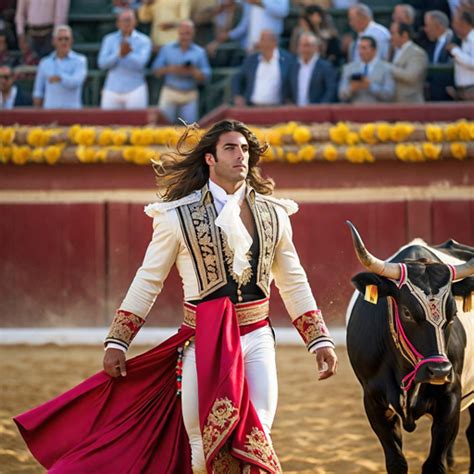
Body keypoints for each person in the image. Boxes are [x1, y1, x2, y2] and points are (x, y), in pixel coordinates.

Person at [14, 119, 338, 473]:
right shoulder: (176, 216)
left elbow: (293, 280)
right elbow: (148, 279)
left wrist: (318, 339)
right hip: (203, 340)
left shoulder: (275, 215)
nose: (240, 156)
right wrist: (118, 341)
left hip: (257, 336)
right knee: (200, 449)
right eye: (230, 148)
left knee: (258, 434)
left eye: (245, 149)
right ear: (210, 159)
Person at [152, 20, 211, 124]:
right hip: (170, 92)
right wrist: (171, 69)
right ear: (178, 33)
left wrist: (193, 71)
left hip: (190, 94)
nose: (184, 37)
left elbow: (206, 76)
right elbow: (156, 71)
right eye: (182, 33)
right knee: (164, 126)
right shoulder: (167, 48)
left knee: (189, 130)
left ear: (193, 34)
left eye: (187, 33)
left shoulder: (200, 52)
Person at [98, 9, 152, 109]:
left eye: (129, 20)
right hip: (112, 89)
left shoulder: (144, 40)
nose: (126, 23)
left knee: (136, 124)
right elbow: (102, 64)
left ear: (135, 22)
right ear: (118, 23)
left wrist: (127, 54)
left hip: (136, 89)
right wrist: (118, 54)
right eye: (124, 20)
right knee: (107, 123)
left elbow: (141, 64)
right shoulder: (109, 39)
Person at [232, 29, 294, 106]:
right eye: (260, 40)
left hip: (277, 107)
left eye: (263, 40)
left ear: (274, 42)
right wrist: (237, 95)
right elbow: (237, 78)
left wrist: (291, 100)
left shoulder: (287, 59)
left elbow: (294, 80)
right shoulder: (252, 60)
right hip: (253, 107)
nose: (259, 43)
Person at [32, 25, 87, 109]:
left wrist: (60, 78)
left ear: (71, 40)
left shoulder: (80, 61)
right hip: (50, 110)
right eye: (60, 39)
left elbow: (76, 82)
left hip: (73, 110)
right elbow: (38, 90)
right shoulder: (45, 62)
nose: (63, 42)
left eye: (66, 39)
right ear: (54, 41)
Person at [339, 35, 395, 103]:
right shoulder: (349, 68)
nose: (360, 52)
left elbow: (389, 95)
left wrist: (370, 86)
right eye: (359, 48)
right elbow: (341, 95)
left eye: (364, 48)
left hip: (378, 111)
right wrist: (351, 89)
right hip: (355, 111)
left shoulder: (386, 68)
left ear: (374, 50)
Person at [286, 32, 338, 105]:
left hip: (317, 112)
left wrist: (321, 108)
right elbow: (288, 89)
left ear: (315, 47)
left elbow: (331, 90)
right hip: (296, 112)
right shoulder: (293, 66)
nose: (304, 49)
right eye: (301, 45)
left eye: (307, 45)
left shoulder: (325, 66)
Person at [389, 21, 429, 103]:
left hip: (410, 103)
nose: (390, 37)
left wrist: (387, 67)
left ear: (404, 35)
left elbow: (411, 76)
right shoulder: (392, 51)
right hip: (394, 103)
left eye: (393, 33)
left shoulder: (417, 53)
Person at [423, 10, 456, 100]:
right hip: (435, 96)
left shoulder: (455, 40)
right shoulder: (431, 44)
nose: (425, 29)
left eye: (427, 25)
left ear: (437, 26)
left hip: (451, 98)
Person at [446, 9, 474, 100]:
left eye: (455, 22)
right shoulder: (463, 40)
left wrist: (455, 51)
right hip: (461, 91)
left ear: (464, 23)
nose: (453, 26)